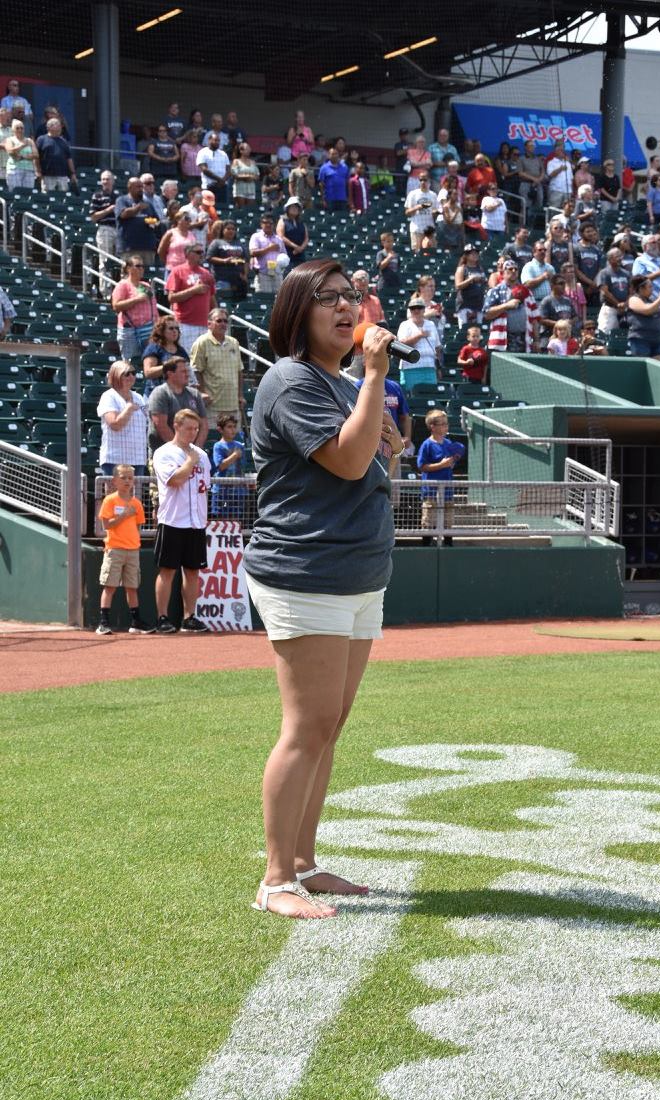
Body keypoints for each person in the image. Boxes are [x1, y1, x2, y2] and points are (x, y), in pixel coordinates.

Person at [243, 259, 401, 919]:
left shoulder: (337, 382)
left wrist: (375, 404)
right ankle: (276, 880)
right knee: (307, 726)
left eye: (352, 297)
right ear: (295, 313)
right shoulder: (290, 379)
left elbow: (378, 450)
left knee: (330, 725)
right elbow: (346, 459)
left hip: (357, 573)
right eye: (327, 299)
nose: (346, 308)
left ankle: (303, 863)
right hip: (307, 571)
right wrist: (373, 378)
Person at [152, 409, 211, 634]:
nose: (193, 433)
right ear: (176, 426)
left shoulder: (201, 455)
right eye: (188, 428)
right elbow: (175, 480)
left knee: (193, 571)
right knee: (168, 571)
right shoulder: (164, 453)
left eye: (196, 429)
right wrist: (190, 461)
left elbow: (204, 487)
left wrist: (194, 458)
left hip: (196, 521)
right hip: (173, 520)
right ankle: (162, 617)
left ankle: (190, 617)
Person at [96, 464, 153, 636]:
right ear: (114, 481)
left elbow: (136, 527)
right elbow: (106, 525)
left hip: (132, 550)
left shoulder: (136, 503)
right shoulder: (110, 500)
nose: (127, 481)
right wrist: (123, 515)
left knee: (132, 587)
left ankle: (136, 622)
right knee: (110, 586)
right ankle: (103, 622)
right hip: (114, 548)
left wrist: (134, 543)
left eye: (130, 478)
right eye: (123, 477)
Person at [191, 307, 245, 429]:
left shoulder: (234, 343)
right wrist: (202, 392)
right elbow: (195, 371)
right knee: (213, 441)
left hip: (233, 405)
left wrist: (240, 395)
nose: (223, 324)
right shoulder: (201, 342)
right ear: (209, 324)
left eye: (225, 321)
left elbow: (239, 372)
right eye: (219, 321)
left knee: (235, 444)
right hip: (212, 407)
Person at [417, 409, 464, 547]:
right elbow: (422, 466)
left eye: (446, 424)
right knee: (429, 520)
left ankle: (448, 544)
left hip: (447, 490)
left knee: (448, 519)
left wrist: (451, 463)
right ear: (432, 426)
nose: (445, 427)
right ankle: (427, 545)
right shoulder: (427, 444)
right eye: (442, 424)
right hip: (431, 491)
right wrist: (441, 464)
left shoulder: (448, 443)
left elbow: (450, 463)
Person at [97, 359, 149, 476]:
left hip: (137, 459)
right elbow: (115, 424)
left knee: (135, 495)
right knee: (114, 494)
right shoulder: (109, 396)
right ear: (116, 376)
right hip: (115, 459)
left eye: (133, 373)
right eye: (126, 374)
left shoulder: (139, 397)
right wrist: (129, 408)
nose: (131, 376)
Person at [148, 356, 208, 456]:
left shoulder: (195, 394)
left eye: (187, 371)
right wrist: (181, 450)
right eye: (183, 371)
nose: (187, 375)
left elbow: (204, 425)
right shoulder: (160, 393)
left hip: (190, 455)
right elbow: (161, 425)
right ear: (170, 374)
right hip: (165, 455)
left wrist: (195, 449)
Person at [166, 243, 217, 355]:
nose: (201, 255)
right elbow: (171, 298)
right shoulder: (178, 271)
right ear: (188, 254)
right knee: (187, 359)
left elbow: (212, 299)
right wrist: (194, 290)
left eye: (202, 252)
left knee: (203, 361)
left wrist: (214, 319)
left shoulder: (206, 273)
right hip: (185, 324)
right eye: (198, 252)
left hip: (204, 324)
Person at [111, 256, 158, 361]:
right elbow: (116, 306)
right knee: (130, 362)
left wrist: (157, 324)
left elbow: (153, 308)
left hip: (148, 329)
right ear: (128, 268)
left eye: (143, 266)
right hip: (130, 331)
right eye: (138, 266)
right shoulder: (123, 285)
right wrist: (137, 299)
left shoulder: (146, 286)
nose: (141, 269)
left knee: (150, 359)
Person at [396, 297, 441, 390]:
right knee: (413, 397)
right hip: (411, 368)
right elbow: (401, 345)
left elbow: (437, 347)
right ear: (410, 310)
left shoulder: (431, 324)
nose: (416, 310)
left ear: (424, 309)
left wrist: (438, 367)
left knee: (430, 396)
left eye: (419, 308)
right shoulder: (404, 325)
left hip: (429, 367)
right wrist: (419, 336)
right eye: (413, 308)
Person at [115, 177, 160, 265]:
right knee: (129, 274)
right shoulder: (122, 200)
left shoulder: (147, 203)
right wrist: (137, 208)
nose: (140, 189)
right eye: (138, 187)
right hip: (129, 247)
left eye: (141, 187)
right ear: (130, 188)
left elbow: (156, 220)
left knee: (147, 275)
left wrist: (153, 223)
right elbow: (123, 214)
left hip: (147, 247)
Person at [142, 315, 190, 397]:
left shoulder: (181, 351)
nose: (175, 331)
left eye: (177, 328)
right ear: (161, 331)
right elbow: (148, 372)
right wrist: (168, 366)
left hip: (177, 396)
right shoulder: (154, 348)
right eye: (171, 328)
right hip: (155, 395)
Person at [211, 413, 247, 519]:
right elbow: (221, 466)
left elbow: (243, 466)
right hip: (222, 491)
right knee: (221, 518)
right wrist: (235, 455)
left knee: (237, 518)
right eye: (229, 427)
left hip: (238, 491)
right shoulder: (218, 446)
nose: (233, 430)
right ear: (220, 429)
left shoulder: (239, 446)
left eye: (234, 427)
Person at [627, 275, 660, 360]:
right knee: (642, 368)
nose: (652, 289)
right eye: (649, 287)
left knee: (658, 369)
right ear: (641, 288)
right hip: (640, 339)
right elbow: (647, 310)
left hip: (656, 339)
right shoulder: (634, 299)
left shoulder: (652, 300)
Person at [89, 170, 118, 288]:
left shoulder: (118, 196)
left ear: (113, 181)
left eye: (108, 179)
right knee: (105, 262)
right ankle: (105, 291)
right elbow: (93, 217)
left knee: (117, 263)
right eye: (103, 179)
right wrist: (108, 210)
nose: (105, 182)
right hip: (105, 229)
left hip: (118, 230)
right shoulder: (97, 196)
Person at [206, 218, 248, 298]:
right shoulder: (216, 242)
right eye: (228, 229)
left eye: (233, 229)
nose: (231, 231)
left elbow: (246, 260)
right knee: (223, 302)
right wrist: (224, 261)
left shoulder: (239, 243)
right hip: (222, 278)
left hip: (238, 280)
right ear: (223, 230)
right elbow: (209, 257)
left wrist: (245, 275)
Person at [36, 117, 77, 193]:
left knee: (62, 198)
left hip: (62, 176)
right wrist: (38, 171)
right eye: (58, 125)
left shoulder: (64, 141)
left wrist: (73, 173)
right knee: (48, 197)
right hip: (47, 176)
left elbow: (69, 158)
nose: (60, 127)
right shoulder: (41, 139)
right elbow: (36, 157)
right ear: (50, 127)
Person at [597, 247, 630, 334]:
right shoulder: (604, 273)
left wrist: (625, 304)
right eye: (617, 256)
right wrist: (617, 304)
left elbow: (632, 291)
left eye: (620, 256)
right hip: (610, 308)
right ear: (610, 259)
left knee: (624, 335)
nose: (620, 258)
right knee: (605, 333)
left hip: (625, 309)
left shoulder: (626, 273)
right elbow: (604, 291)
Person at [249, 213, 285, 294]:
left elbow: (284, 255)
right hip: (263, 273)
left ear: (274, 225)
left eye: (271, 223)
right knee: (263, 299)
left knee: (278, 301)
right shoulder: (256, 236)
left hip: (277, 274)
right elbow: (253, 252)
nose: (268, 225)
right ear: (261, 224)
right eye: (265, 223)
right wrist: (269, 249)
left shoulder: (278, 239)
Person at [404, 173, 439, 253]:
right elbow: (407, 212)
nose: (423, 182)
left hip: (429, 229)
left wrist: (435, 212)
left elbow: (435, 211)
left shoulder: (433, 195)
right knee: (417, 253)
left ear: (429, 181)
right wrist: (419, 207)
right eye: (421, 180)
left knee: (431, 253)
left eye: (425, 180)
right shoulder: (413, 194)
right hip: (417, 228)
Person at [157, 208, 197, 278]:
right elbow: (161, 251)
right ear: (178, 220)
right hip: (172, 269)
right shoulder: (170, 233)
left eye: (189, 219)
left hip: (188, 270)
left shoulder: (192, 235)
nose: (189, 221)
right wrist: (169, 262)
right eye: (186, 219)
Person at [454, 245, 487, 327]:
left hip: (478, 305)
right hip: (465, 305)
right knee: (465, 330)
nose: (475, 255)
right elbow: (458, 286)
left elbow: (485, 282)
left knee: (477, 330)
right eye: (472, 253)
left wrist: (482, 280)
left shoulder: (480, 268)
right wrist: (470, 280)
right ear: (466, 255)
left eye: (476, 253)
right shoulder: (462, 268)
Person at [4, 118, 40, 190]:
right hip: (14, 169)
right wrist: (22, 145)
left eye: (22, 128)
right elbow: (10, 151)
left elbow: (36, 155)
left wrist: (22, 157)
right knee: (15, 191)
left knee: (28, 192)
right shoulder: (9, 140)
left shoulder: (29, 140)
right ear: (13, 129)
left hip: (29, 169)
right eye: (17, 128)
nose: (20, 130)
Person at [197, 132, 231, 206]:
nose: (217, 142)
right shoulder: (202, 152)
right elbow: (204, 169)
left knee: (222, 208)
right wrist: (219, 179)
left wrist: (223, 181)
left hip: (222, 186)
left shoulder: (223, 154)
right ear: (209, 140)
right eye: (215, 140)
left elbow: (228, 170)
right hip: (209, 186)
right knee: (208, 207)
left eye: (218, 141)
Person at [276, 197, 309, 273]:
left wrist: (301, 248)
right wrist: (295, 246)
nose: (295, 209)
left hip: (300, 255)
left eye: (297, 207)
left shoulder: (302, 223)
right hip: (287, 254)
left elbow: (306, 238)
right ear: (287, 209)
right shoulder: (282, 221)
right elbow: (281, 236)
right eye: (292, 207)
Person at [318, 147, 349, 211]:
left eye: (336, 154)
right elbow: (321, 184)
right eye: (332, 154)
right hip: (329, 198)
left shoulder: (344, 167)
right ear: (328, 155)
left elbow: (347, 183)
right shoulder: (324, 168)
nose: (335, 156)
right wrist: (323, 199)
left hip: (342, 198)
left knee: (342, 218)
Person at [230, 141, 259, 206]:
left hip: (251, 190)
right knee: (241, 209)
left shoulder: (253, 162)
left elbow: (257, 175)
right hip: (240, 189)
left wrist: (254, 177)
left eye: (249, 148)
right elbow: (234, 174)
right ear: (241, 151)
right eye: (247, 148)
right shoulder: (236, 161)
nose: (249, 150)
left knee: (250, 210)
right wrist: (246, 177)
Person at [375, 230, 401, 296]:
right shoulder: (380, 254)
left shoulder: (396, 255)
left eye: (392, 241)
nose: (391, 243)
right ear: (383, 242)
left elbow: (397, 268)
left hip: (395, 283)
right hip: (384, 284)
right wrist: (388, 258)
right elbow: (380, 266)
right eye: (388, 241)